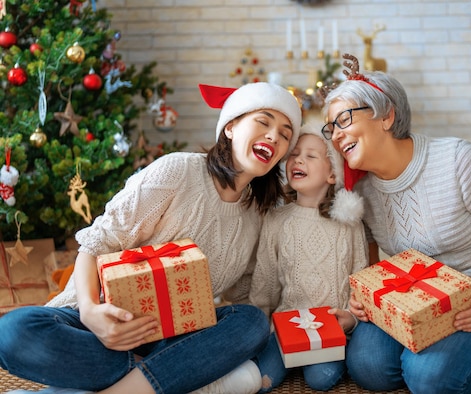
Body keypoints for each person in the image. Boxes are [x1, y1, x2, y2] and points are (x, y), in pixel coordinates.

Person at [0, 81, 302, 394]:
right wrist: (91, 313)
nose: (273, 137)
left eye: (284, 134)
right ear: (230, 127)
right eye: (264, 122)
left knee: (251, 322)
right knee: (12, 332)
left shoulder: (259, 214)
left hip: (172, 337)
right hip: (101, 327)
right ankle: (172, 381)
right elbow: (95, 243)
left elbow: (243, 296)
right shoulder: (178, 171)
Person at [319, 54, 471, 394]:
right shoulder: (362, 190)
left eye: (344, 120)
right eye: (331, 127)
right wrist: (369, 297)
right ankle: (458, 357)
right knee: (368, 370)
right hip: (411, 299)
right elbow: (377, 259)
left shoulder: (456, 159)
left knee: (426, 379)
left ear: (387, 116)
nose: (336, 136)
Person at [248, 123, 369, 392]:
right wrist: (260, 326)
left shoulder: (348, 224)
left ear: (332, 175)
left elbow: (360, 280)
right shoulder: (277, 220)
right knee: (261, 380)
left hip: (330, 331)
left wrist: (351, 318)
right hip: (285, 327)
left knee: (320, 379)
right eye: (294, 154)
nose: (298, 159)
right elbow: (265, 280)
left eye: (311, 156)